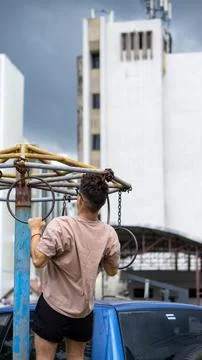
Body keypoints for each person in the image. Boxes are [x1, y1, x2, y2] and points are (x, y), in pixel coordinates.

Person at [28, 173, 120, 360]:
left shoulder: (61, 226)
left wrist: (36, 230)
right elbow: (112, 271)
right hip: (83, 311)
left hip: (54, 306)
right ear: (101, 204)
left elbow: (38, 259)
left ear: (79, 199)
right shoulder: (109, 234)